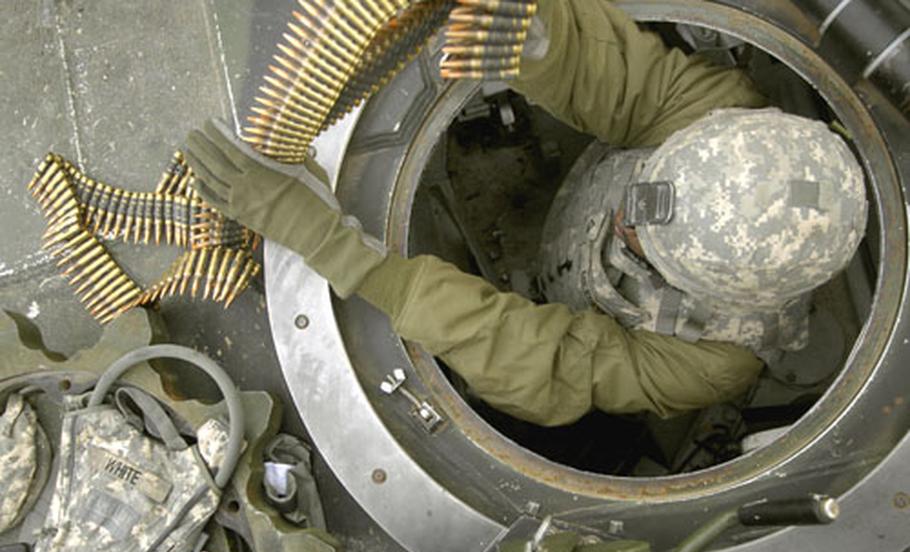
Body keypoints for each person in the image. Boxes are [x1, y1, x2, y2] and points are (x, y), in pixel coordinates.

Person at [184, 0, 867, 426]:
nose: (628, 218)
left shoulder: (717, 361)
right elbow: (630, 86)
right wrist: (540, 39)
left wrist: (334, 247)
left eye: (649, 241)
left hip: (565, 302)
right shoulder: (738, 127)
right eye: (645, 197)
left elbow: (546, 361)